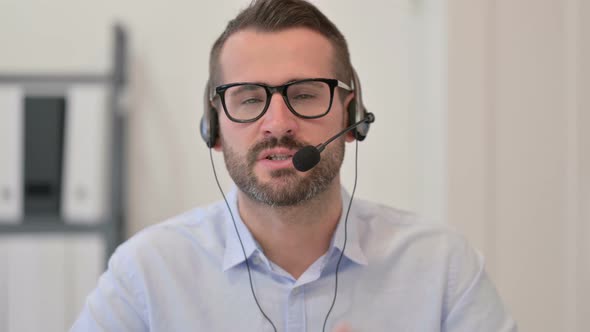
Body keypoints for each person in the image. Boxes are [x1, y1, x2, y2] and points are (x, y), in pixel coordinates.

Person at [71, 0, 517, 331]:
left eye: (304, 94)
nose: (277, 124)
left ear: (351, 117)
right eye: (248, 99)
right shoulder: (147, 273)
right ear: (214, 128)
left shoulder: (442, 267)